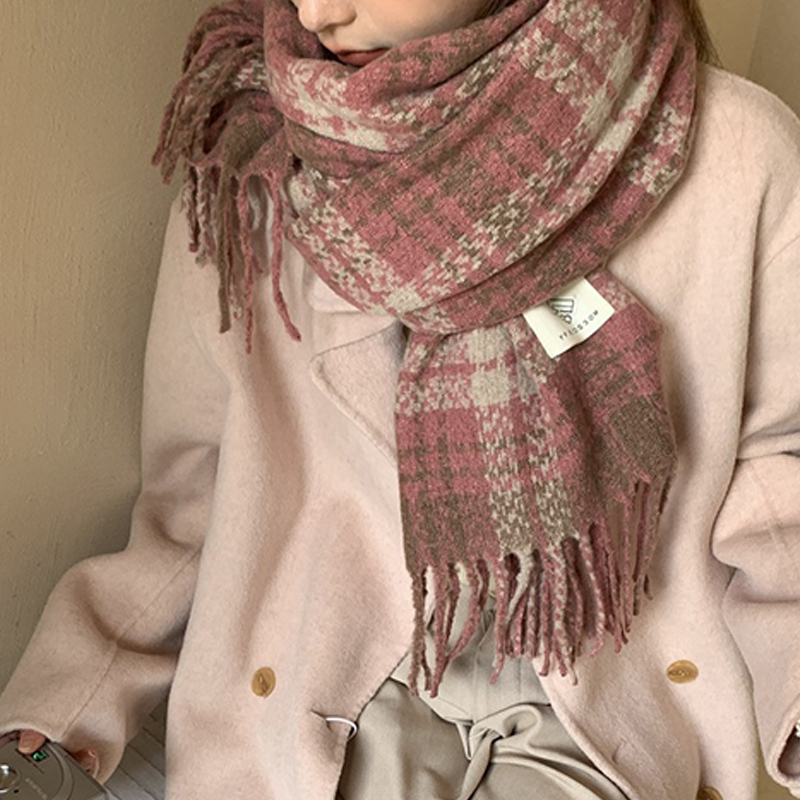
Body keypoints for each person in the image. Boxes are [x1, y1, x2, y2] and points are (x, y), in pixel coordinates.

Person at [1, 0, 799, 798]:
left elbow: (774, 489)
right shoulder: (251, 153)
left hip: (604, 687)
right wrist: (63, 708)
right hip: (324, 680)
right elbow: (194, 501)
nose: (318, 11)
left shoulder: (734, 158)